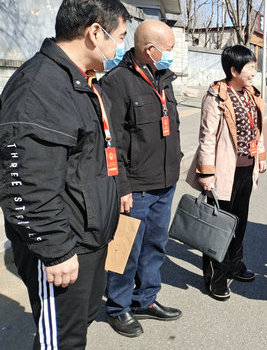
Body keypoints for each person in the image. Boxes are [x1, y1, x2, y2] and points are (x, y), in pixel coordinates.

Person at [0, 0, 129, 348]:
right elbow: (27, 183)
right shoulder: (40, 87)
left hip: (89, 240)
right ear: (94, 33)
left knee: (77, 328)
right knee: (62, 341)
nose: (118, 48)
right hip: (65, 245)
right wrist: (56, 250)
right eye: (118, 38)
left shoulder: (80, 82)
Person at [100, 20, 183, 337]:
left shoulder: (163, 77)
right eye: (170, 48)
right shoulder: (117, 83)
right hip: (134, 188)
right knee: (124, 250)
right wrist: (122, 186)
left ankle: (145, 300)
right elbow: (113, 142)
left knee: (155, 246)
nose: (172, 54)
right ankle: (117, 307)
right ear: (150, 50)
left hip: (164, 183)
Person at [186, 45, 267, 301]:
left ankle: (235, 265)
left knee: (239, 224)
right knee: (218, 227)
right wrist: (206, 173)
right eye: (250, 67)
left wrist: (261, 157)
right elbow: (207, 138)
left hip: (246, 170)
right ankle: (215, 278)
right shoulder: (216, 95)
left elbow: (257, 131)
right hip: (222, 172)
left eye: (255, 66)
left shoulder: (251, 94)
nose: (255, 71)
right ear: (234, 70)